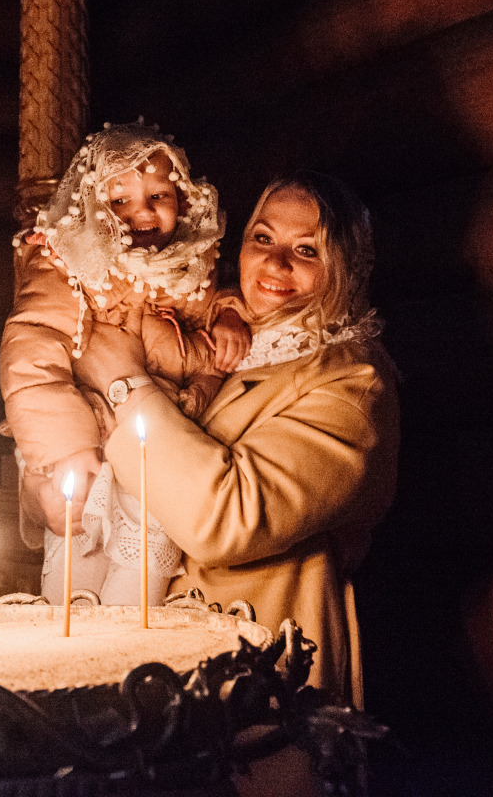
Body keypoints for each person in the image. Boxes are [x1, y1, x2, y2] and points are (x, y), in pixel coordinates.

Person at [72, 170, 399, 704]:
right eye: (263, 238)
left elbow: (227, 519)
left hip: (259, 667)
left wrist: (124, 386)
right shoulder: (227, 341)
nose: (275, 263)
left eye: (307, 250)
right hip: (161, 655)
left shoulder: (351, 383)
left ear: (347, 267)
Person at [0, 123, 250, 605]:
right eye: (120, 201)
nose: (143, 212)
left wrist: (231, 315)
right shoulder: (66, 261)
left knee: (139, 592)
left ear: (182, 198)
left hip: (157, 444)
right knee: (74, 585)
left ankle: (129, 675)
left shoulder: (192, 264)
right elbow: (31, 348)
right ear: (92, 204)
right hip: (84, 441)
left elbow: (215, 307)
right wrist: (63, 450)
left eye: (159, 195)